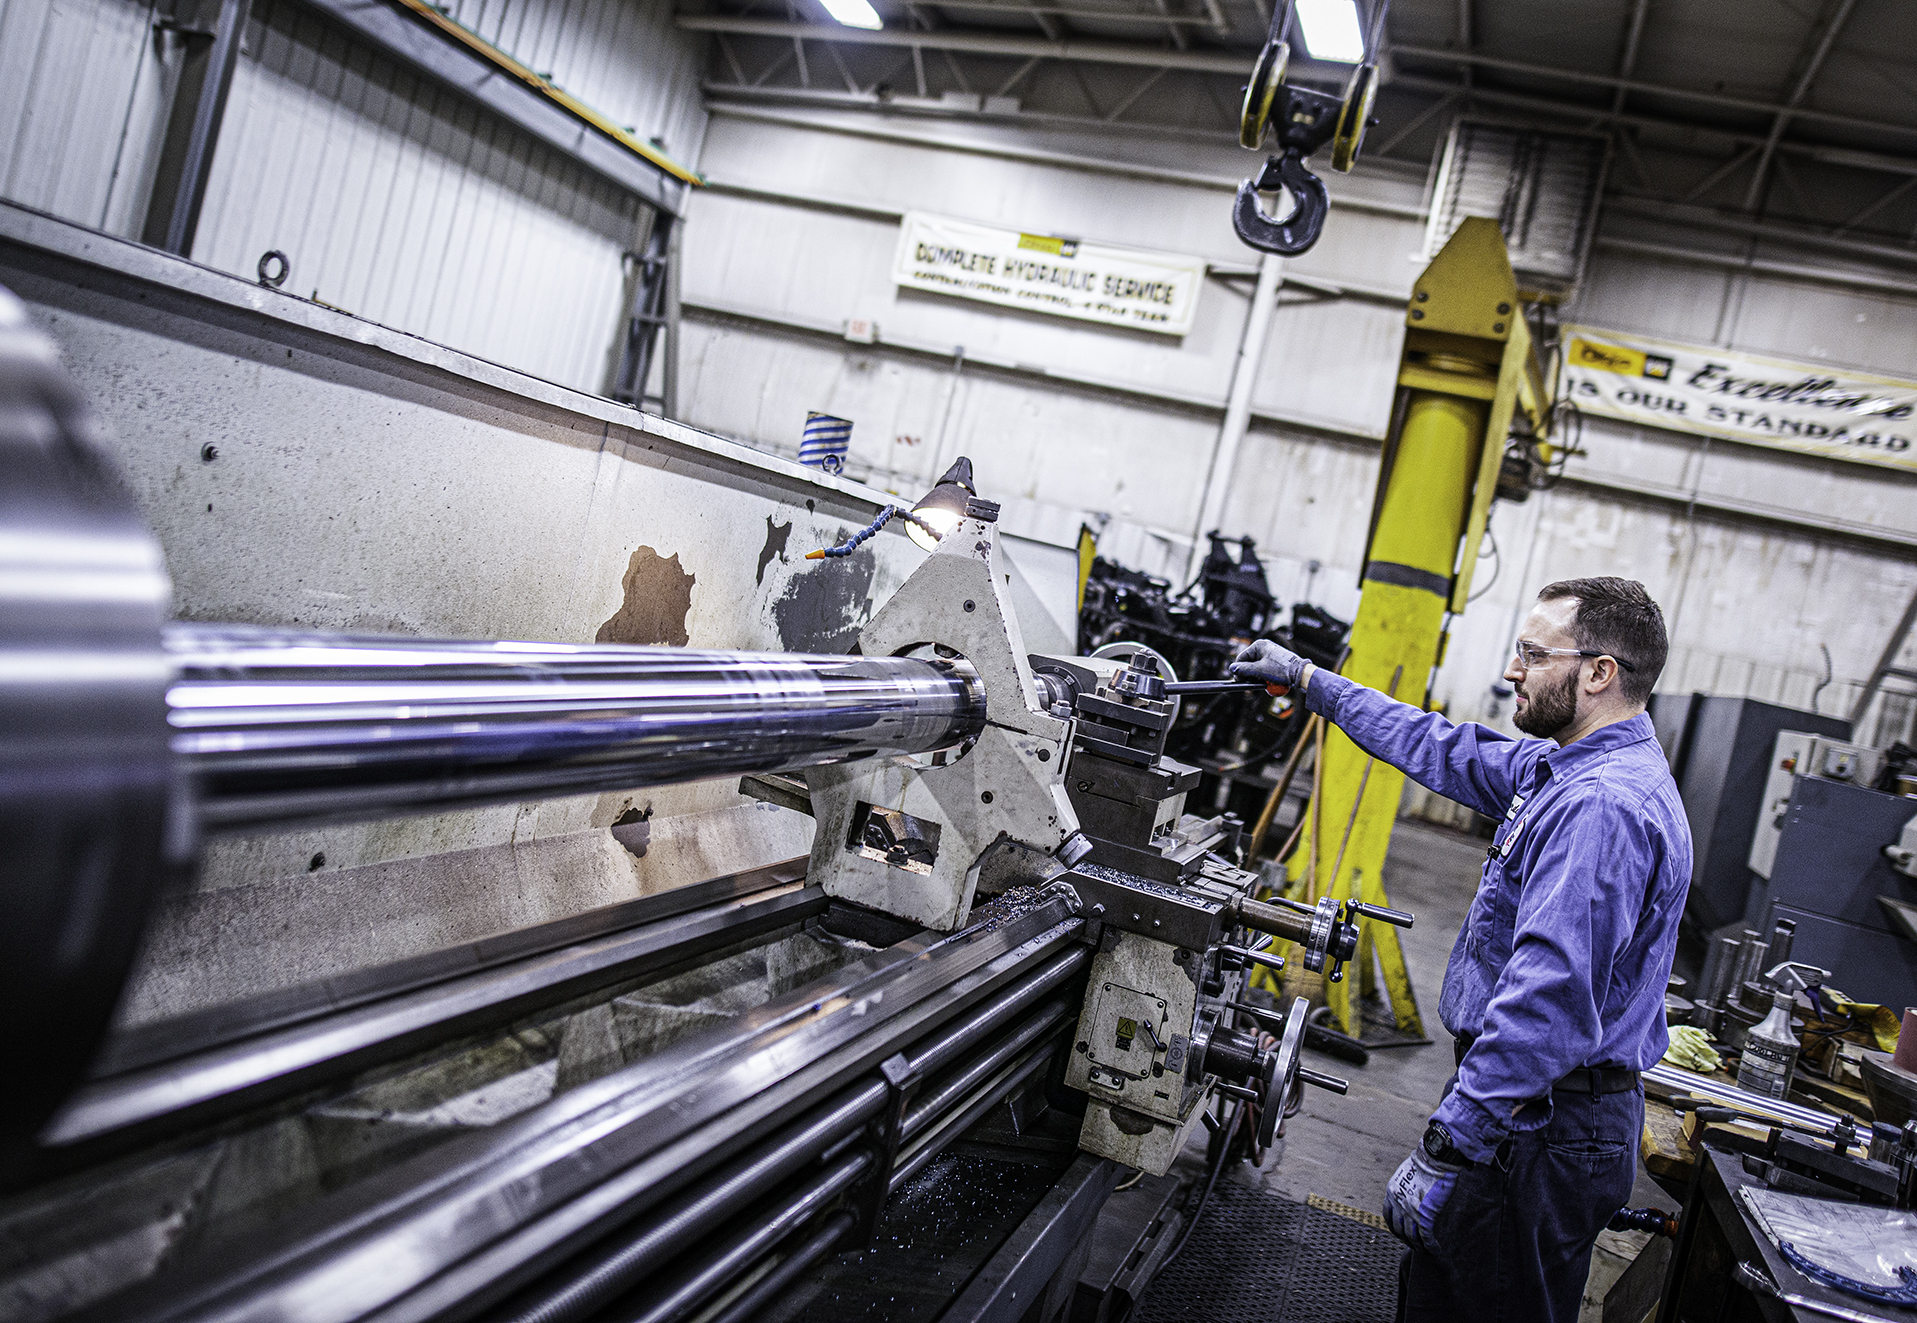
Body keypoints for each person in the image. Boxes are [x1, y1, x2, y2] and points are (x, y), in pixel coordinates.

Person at [1231, 577, 1692, 1323]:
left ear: (1600, 672)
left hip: (1538, 1130)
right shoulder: (1563, 768)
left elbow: (1547, 1002)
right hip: (1534, 1118)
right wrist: (1312, 683)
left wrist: (1451, 1142)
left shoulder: (1600, 806)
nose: (1512, 668)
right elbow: (1441, 746)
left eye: (1532, 653)